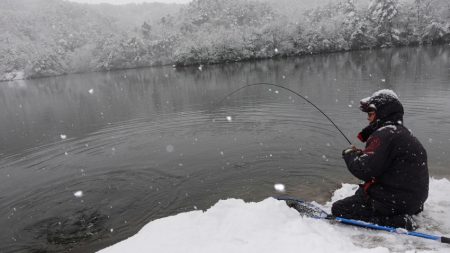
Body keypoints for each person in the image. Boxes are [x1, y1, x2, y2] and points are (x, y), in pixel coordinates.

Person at [331, 89, 429, 230]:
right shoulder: (402, 133)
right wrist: (363, 155)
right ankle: (401, 211)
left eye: (371, 114)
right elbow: (384, 164)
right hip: (414, 201)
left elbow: (363, 170)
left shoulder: (385, 134)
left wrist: (349, 154)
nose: (368, 118)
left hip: (395, 202)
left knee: (339, 209)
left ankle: (397, 222)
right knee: (361, 195)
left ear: (382, 113)